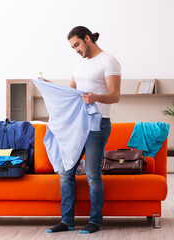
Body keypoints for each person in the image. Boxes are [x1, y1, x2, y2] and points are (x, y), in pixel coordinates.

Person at [46, 26, 121, 234]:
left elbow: (115, 95)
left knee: (92, 174)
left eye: (77, 44)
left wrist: (94, 97)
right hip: (78, 125)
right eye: (73, 47)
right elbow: (69, 93)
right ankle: (67, 221)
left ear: (87, 38)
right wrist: (49, 85)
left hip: (98, 124)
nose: (76, 50)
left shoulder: (108, 61)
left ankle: (95, 221)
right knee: (66, 171)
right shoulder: (80, 65)